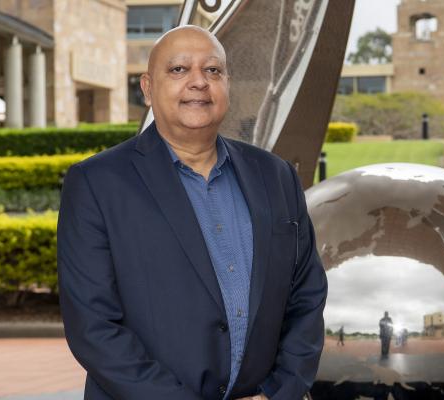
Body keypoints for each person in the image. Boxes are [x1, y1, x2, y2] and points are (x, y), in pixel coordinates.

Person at [57, 25, 327, 400]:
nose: (199, 82)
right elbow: (94, 326)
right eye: (179, 70)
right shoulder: (96, 183)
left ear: (227, 84)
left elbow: (307, 296)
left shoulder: (275, 176)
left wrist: (278, 393)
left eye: (213, 70)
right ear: (148, 88)